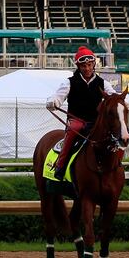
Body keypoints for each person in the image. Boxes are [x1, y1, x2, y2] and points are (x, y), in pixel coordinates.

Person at [44, 46, 107, 179]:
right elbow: (57, 97)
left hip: (95, 123)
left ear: (94, 64)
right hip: (77, 121)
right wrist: (53, 102)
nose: (87, 68)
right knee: (74, 129)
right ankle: (60, 167)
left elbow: (114, 97)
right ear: (79, 66)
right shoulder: (69, 82)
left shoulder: (103, 83)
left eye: (90, 65)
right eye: (84, 66)